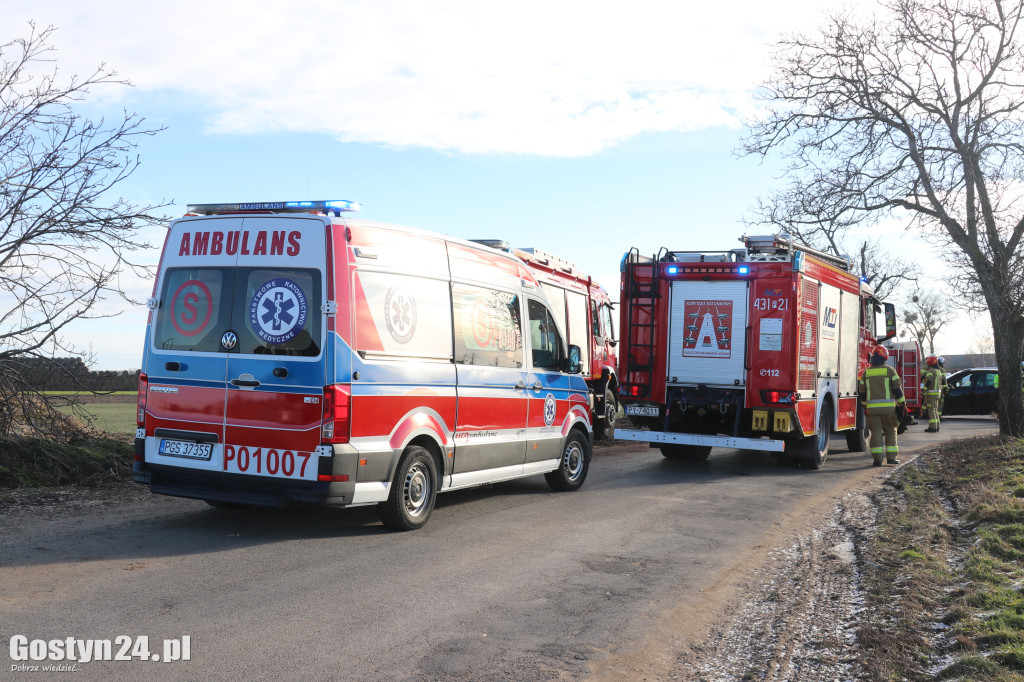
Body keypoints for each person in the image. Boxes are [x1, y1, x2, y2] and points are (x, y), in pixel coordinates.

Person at [858, 345, 907, 466]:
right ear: (885, 356)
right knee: (891, 431)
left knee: (875, 433)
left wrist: (864, 406)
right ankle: (891, 458)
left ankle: (877, 460)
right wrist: (903, 404)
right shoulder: (890, 371)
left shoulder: (866, 373)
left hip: (872, 411)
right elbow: (897, 390)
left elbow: (862, 393)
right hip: (889, 410)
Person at [922, 355, 944, 432]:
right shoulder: (938, 371)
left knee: (931, 410)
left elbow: (929, 381)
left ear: (930, 363)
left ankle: (932, 427)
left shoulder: (931, 371)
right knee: (935, 410)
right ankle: (937, 426)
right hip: (938, 393)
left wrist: (923, 390)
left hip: (931, 394)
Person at [937, 356, 948, 421]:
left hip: (932, 389)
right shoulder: (942, 370)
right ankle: (939, 417)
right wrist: (946, 388)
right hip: (940, 391)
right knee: (940, 404)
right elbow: (944, 380)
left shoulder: (932, 369)